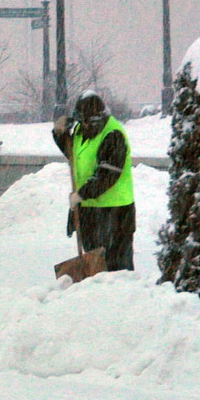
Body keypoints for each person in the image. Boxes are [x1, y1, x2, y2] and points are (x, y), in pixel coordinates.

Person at [52, 90, 135, 271]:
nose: (83, 126)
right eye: (81, 122)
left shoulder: (113, 135)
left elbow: (107, 175)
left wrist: (81, 194)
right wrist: (59, 133)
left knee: (116, 271)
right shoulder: (82, 131)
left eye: (87, 122)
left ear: (97, 119)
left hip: (116, 215)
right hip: (90, 213)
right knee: (94, 270)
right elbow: (74, 155)